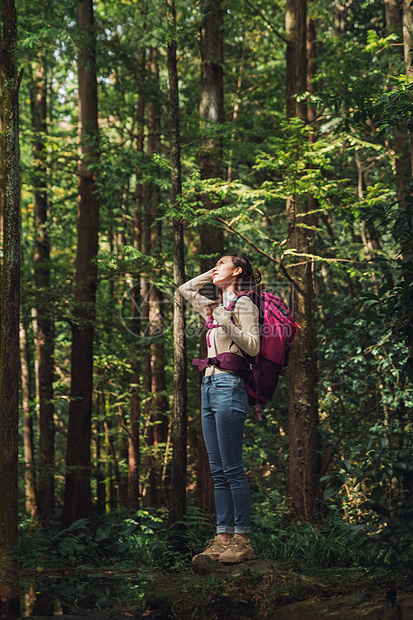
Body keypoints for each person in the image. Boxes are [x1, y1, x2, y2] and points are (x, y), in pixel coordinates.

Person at [179, 254, 261, 564]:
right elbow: (185, 290)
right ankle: (223, 537)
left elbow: (253, 347)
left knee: (232, 467)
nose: (215, 267)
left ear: (238, 270)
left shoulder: (244, 305)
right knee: (217, 470)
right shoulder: (213, 308)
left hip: (229, 386)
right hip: (208, 388)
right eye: (213, 264)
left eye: (222, 263)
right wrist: (215, 274)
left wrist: (227, 320)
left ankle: (242, 539)